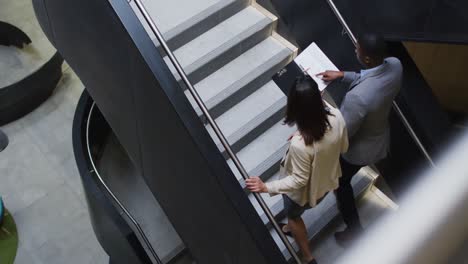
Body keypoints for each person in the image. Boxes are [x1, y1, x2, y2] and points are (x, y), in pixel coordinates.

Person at [246, 75, 348, 264]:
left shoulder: (300, 146)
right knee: (294, 215)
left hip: (303, 193)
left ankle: (308, 257)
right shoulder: (336, 115)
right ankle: (288, 229)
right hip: (327, 180)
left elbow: (298, 180)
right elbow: (343, 147)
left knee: (293, 215)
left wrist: (266, 187)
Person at [317, 33, 403, 245]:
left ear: (366, 59)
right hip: (378, 139)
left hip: (356, 152)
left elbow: (343, 132)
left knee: (341, 183)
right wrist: (342, 75)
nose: (354, 49)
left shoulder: (359, 98)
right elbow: (371, 78)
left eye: (357, 49)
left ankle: (355, 230)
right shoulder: (395, 65)